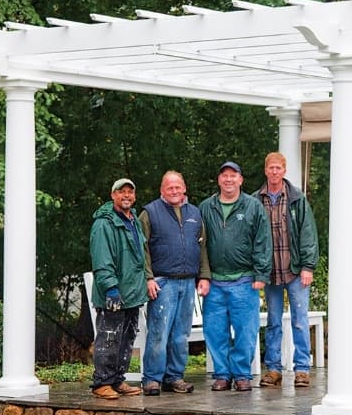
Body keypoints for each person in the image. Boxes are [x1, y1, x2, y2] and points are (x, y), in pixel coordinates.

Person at [199, 161, 272, 391]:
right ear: (219, 180)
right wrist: (202, 276)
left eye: (233, 175)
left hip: (244, 280)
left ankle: (242, 374)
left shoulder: (253, 207)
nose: (228, 179)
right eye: (224, 176)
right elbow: (199, 245)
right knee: (215, 330)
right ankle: (222, 374)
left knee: (245, 330)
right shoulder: (205, 207)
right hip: (215, 282)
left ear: (241, 180)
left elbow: (263, 241)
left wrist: (261, 273)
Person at [139, 171, 211, 396]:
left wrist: (204, 276)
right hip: (163, 282)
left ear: (184, 188)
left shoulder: (195, 213)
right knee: (159, 332)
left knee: (181, 334)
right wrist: (148, 278)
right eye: (169, 187)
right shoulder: (149, 213)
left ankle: (174, 377)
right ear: (162, 190)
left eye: (177, 187)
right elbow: (142, 250)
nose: (174, 191)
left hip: (188, 282)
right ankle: (152, 379)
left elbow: (202, 248)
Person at [252, 152, 319, 388]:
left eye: (278, 168)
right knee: (273, 321)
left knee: (300, 320)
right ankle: (273, 369)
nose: (274, 172)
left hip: (295, 270)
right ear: (265, 170)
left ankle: (302, 369)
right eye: (271, 168)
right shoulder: (255, 200)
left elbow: (308, 234)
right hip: (270, 273)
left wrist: (308, 266)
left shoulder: (296, 199)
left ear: (284, 171)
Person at [89, 178, 147, 399]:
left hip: (132, 293)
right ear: (112, 195)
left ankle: (117, 380)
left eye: (130, 192)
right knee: (109, 337)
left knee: (127, 338)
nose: (126, 196)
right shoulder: (104, 223)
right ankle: (102, 382)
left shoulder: (134, 221)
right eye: (121, 192)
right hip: (113, 293)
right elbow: (102, 259)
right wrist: (111, 287)